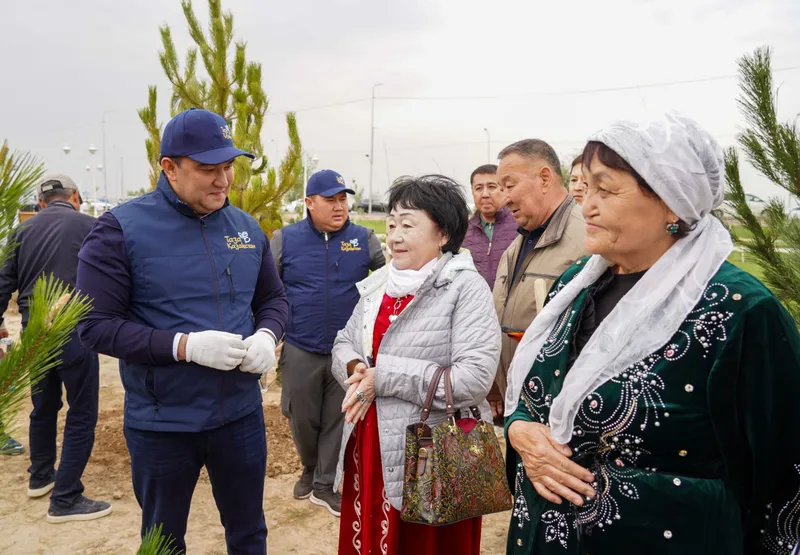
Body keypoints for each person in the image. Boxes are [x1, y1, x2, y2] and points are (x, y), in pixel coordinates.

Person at [504, 113, 800, 554]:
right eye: (586, 187)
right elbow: (535, 397)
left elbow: (782, 478)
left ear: (672, 202)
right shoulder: (576, 285)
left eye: (605, 189)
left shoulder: (738, 311)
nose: (586, 205)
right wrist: (519, 431)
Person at [77, 108, 287, 554]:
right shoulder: (120, 229)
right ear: (168, 167)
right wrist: (184, 346)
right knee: (164, 542)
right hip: (162, 424)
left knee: (249, 533)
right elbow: (94, 326)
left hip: (240, 417)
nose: (224, 180)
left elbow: (273, 299)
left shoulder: (246, 229)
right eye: (208, 169)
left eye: (229, 166)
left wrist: (269, 334)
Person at [331, 175, 501, 555]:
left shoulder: (466, 288)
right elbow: (343, 342)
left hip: (432, 452)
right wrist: (357, 368)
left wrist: (383, 377)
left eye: (408, 225)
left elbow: (473, 379)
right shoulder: (379, 285)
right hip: (371, 443)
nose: (394, 236)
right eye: (392, 224)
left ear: (443, 234)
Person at [271, 169, 385, 517]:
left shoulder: (364, 238)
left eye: (343, 199)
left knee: (339, 417)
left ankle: (325, 483)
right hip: (301, 345)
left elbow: (385, 283)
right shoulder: (284, 239)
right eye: (330, 200)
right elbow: (268, 290)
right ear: (309, 203)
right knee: (301, 418)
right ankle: (309, 466)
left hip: (346, 350)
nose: (339, 207)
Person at [0, 174, 109, 522]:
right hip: (74, 328)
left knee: (42, 407)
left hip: (34, 332)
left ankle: (40, 476)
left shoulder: (20, 232)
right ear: (75, 195)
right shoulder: (91, 225)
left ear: (42, 201)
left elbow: (3, 286)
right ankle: (65, 498)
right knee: (81, 413)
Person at [487, 140, 587, 422]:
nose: (504, 199)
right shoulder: (517, 245)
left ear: (545, 178)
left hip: (559, 415)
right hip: (516, 406)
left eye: (509, 185)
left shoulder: (585, 243)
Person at [462, 164, 518, 287]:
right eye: (478, 188)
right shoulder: (463, 232)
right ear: (472, 192)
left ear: (503, 189)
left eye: (492, 187)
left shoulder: (521, 226)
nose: (485, 194)